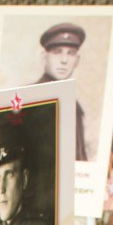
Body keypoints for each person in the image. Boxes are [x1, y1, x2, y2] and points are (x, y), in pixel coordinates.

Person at [34, 23, 89, 160]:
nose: (64, 60)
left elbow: (80, 155)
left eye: (71, 53)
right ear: (44, 57)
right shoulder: (31, 99)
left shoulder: (73, 104)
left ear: (77, 60)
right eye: (57, 52)